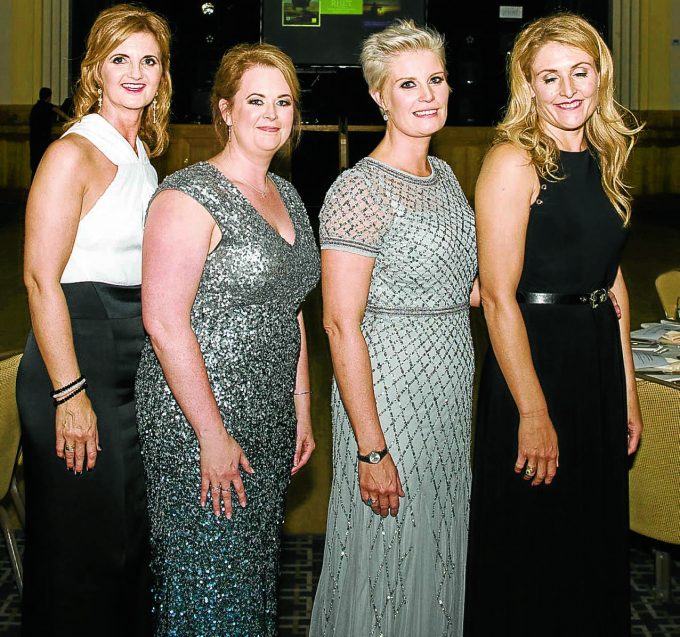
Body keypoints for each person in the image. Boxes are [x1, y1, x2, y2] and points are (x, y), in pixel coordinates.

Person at [465, 13, 643, 636]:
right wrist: (533, 413)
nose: (567, 89)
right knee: (535, 543)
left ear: (601, 75)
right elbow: (496, 296)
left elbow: (611, 279)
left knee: (587, 536)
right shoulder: (514, 162)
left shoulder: (607, 153)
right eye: (549, 76)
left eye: (580, 72)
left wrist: (626, 387)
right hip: (533, 361)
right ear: (528, 86)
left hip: (593, 357)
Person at [135, 43, 319, 635]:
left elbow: (290, 310)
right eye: (255, 100)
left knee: (249, 577)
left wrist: (302, 411)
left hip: (268, 418)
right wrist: (210, 436)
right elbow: (164, 323)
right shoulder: (188, 195)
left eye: (283, 101)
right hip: (198, 420)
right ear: (226, 111)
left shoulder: (286, 196)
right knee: (204, 584)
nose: (271, 113)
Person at [310, 20, 478, 636]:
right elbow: (339, 324)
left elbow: (468, 288)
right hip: (389, 391)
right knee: (389, 548)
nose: (428, 94)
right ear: (380, 96)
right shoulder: (358, 190)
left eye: (435, 79)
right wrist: (371, 447)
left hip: (450, 387)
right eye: (409, 84)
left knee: (437, 540)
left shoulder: (448, 178)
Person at [16, 5, 171, 636]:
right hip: (75, 354)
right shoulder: (73, 154)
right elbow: (38, 279)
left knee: (127, 539)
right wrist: (69, 394)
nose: (135, 73)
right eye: (120, 59)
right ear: (94, 70)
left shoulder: (143, 155)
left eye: (149, 60)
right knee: (87, 546)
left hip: (128, 358)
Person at [28, 87, 68, 176]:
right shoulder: (49, 107)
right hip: (44, 139)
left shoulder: (35, 107)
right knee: (44, 164)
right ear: (49, 97)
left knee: (35, 165)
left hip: (34, 139)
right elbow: (64, 115)